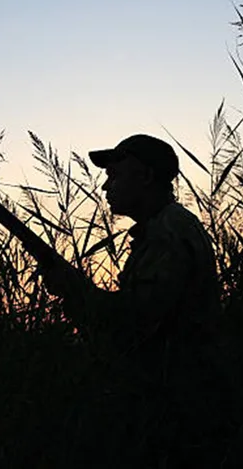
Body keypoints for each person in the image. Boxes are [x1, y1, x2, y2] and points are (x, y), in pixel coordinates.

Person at [41, 134, 222, 356]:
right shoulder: (166, 224)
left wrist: (80, 292)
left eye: (114, 175)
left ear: (145, 176)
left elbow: (139, 321)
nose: (106, 186)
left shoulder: (168, 231)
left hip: (174, 379)